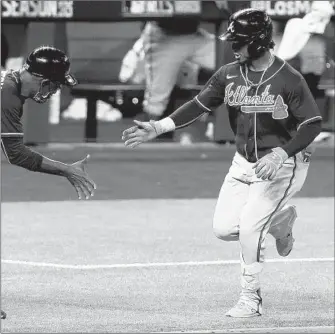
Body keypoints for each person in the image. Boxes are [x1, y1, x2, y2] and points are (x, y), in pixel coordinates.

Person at [122, 8, 322, 318]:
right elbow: (199, 105)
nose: (233, 47)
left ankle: (250, 298)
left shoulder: (287, 78)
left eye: (239, 42)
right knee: (224, 229)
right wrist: (159, 126)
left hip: (282, 165)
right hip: (243, 162)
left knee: (250, 229)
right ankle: (280, 223)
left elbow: (312, 123)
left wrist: (282, 154)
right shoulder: (229, 73)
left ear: (257, 42)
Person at [1, 46, 97, 320]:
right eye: (55, 86)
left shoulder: (11, 85)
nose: (54, 92)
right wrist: (67, 170)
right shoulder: (7, 95)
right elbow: (16, 154)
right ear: (44, 80)